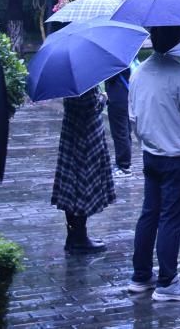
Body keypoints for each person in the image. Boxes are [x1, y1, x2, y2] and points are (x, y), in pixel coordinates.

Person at [127, 25, 180, 302]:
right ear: (178, 41)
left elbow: (133, 117)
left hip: (151, 155)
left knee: (149, 214)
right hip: (177, 158)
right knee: (171, 218)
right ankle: (168, 280)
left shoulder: (138, 74)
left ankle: (140, 276)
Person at [53, 87, 116, 253]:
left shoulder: (69, 85)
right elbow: (90, 107)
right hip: (86, 139)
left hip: (72, 136)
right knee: (83, 186)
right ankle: (79, 238)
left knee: (70, 186)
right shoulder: (83, 88)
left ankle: (74, 236)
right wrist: (103, 98)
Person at [104, 69, 132, 176]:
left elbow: (110, 76)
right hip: (125, 95)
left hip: (117, 97)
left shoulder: (114, 65)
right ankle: (126, 162)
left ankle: (123, 165)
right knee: (125, 130)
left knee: (120, 132)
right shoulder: (124, 62)